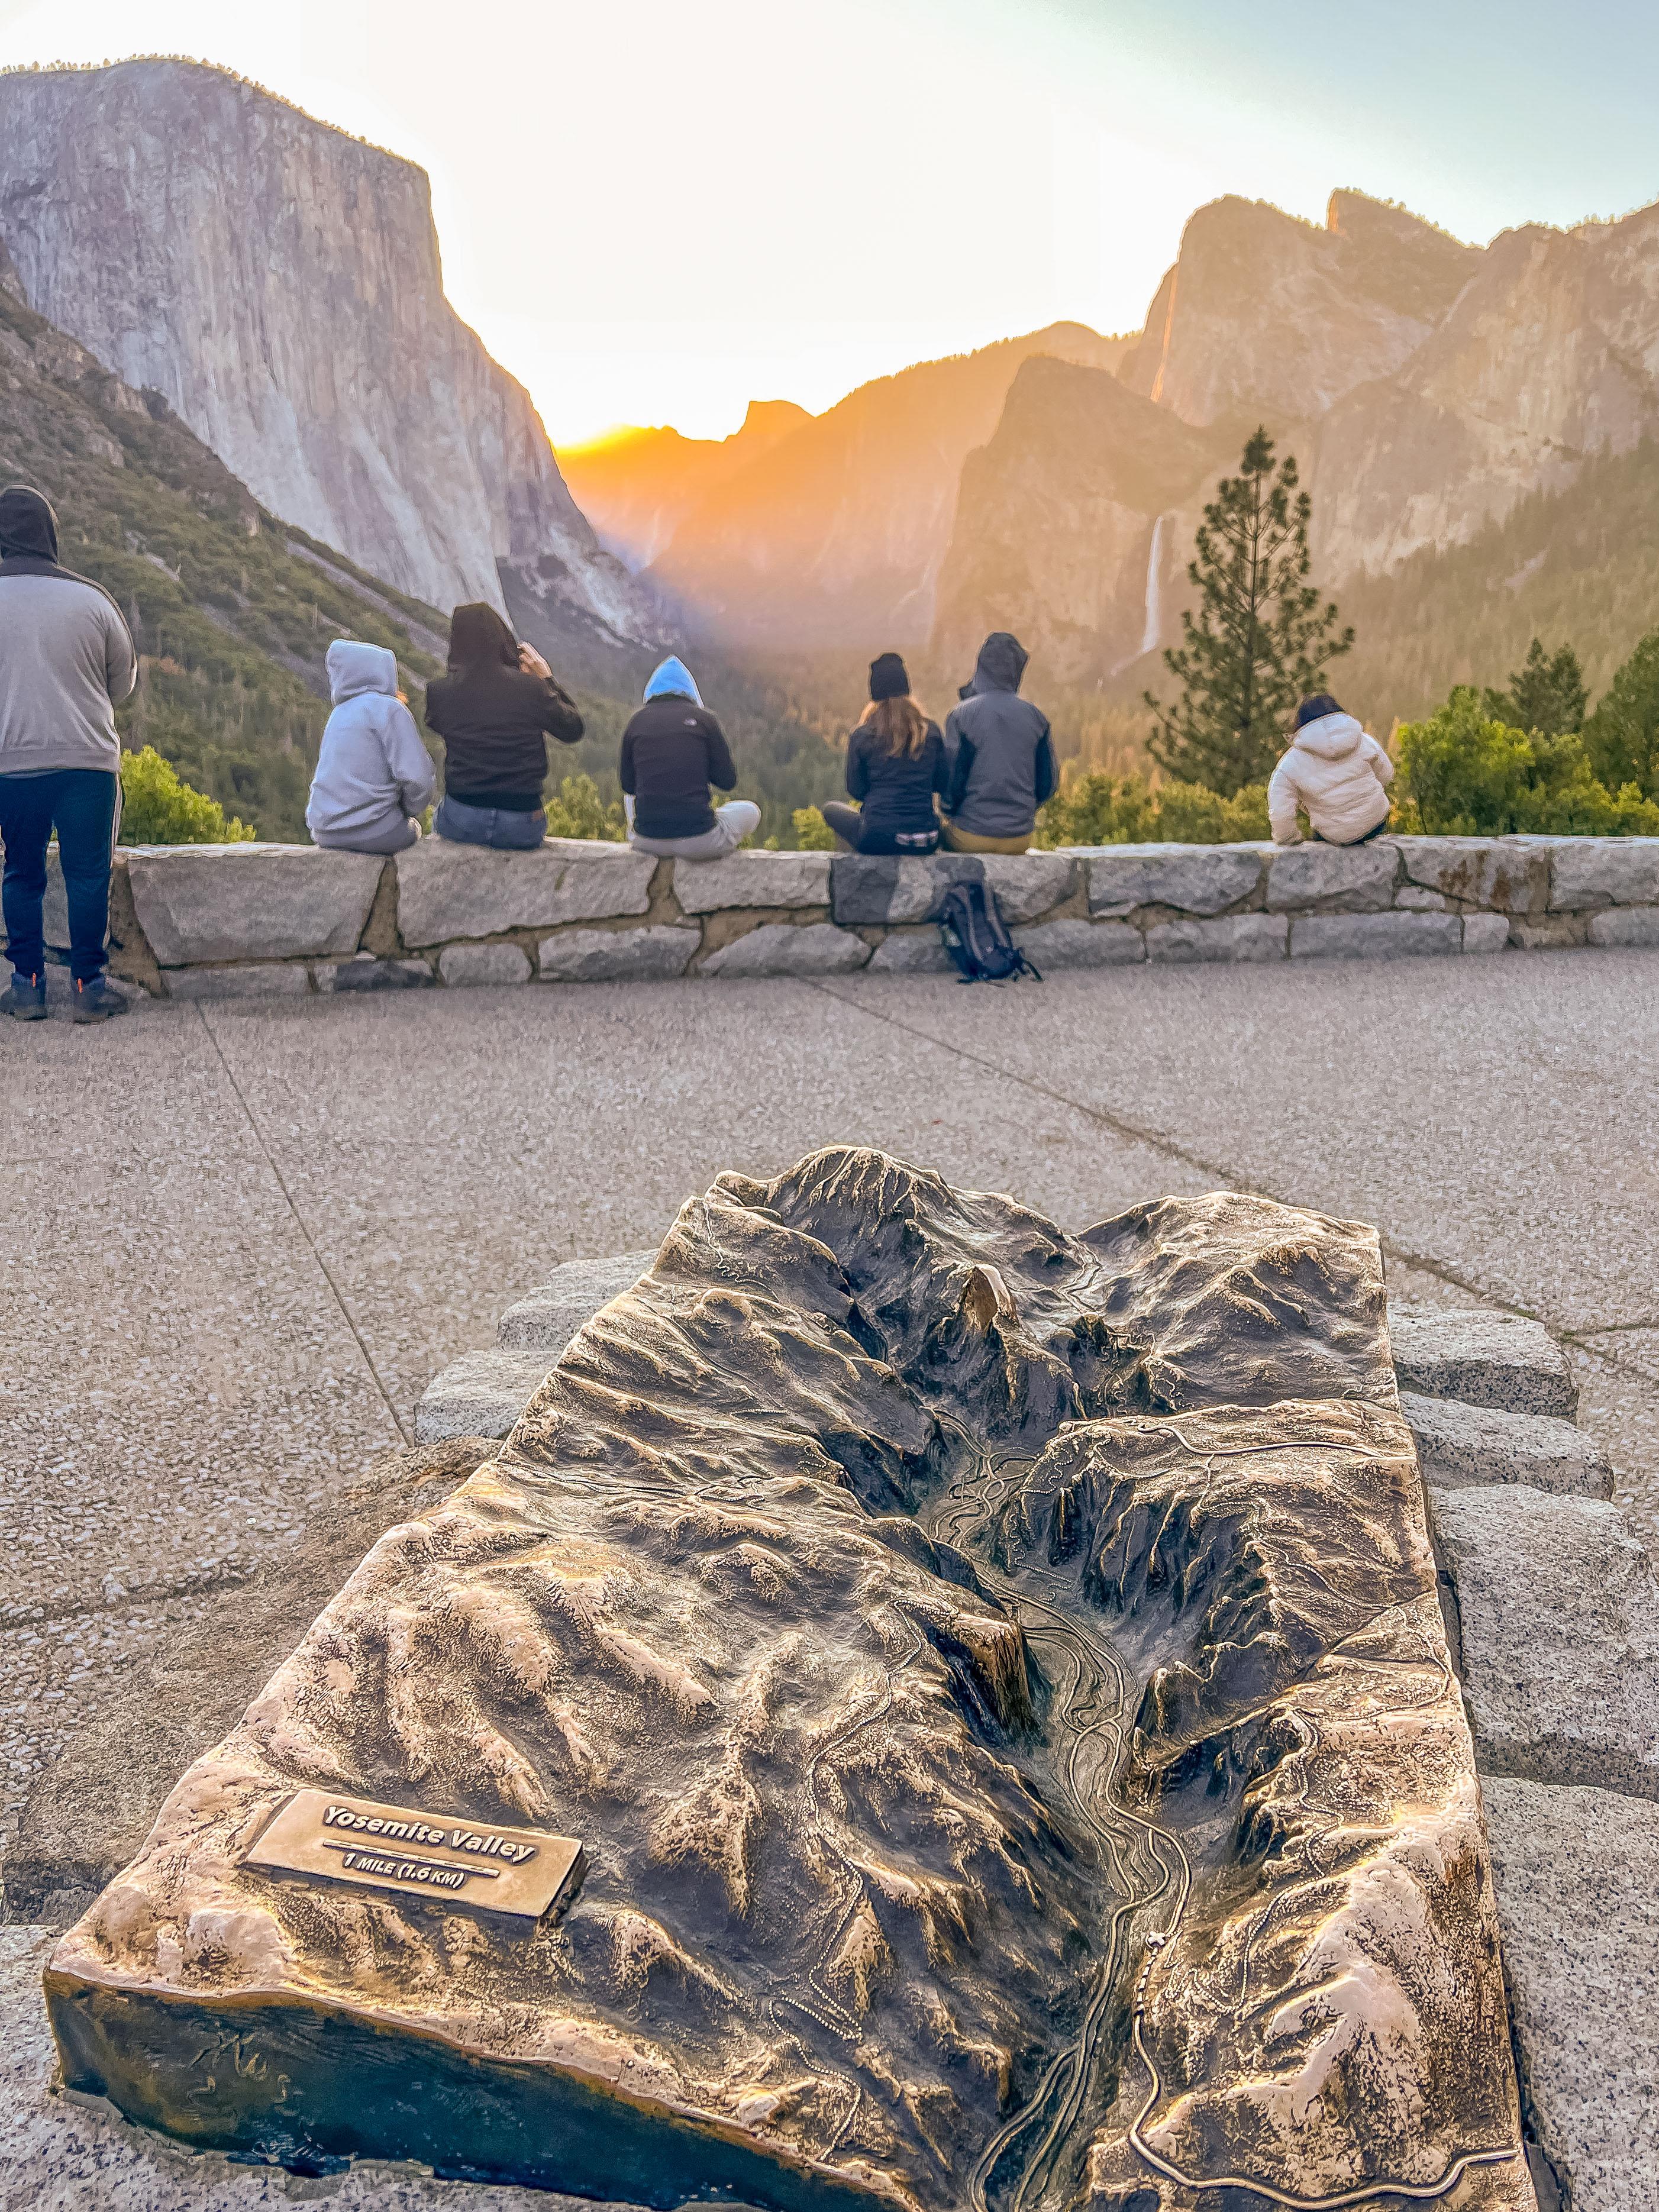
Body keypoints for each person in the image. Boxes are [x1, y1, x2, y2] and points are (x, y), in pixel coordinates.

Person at [0, 485, 136, 1023]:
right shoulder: (93, 600)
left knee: (21, 872)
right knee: (87, 874)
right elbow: (122, 686)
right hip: (86, 763)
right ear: (51, 535)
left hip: (11, 762)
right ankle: (88, 986)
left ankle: (27, 986)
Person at [422, 603, 582, 850]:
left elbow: (437, 723)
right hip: (523, 822)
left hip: (464, 817)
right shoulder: (529, 688)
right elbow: (573, 729)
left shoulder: (440, 692)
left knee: (439, 820)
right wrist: (546, 678)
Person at [621, 657, 760, 860]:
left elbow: (628, 787)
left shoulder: (636, 723)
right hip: (700, 840)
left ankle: (643, 835)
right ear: (691, 692)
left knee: (630, 799)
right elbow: (728, 781)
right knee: (750, 811)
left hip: (646, 841)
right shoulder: (705, 721)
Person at [305, 640, 435, 854]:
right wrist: (409, 810)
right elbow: (418, 778)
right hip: (376, 831)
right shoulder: (389, 709)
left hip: (325, 832)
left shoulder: (338, 715)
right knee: (414, 832)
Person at [941, 632, 1057, 854]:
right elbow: (1047, 785)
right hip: (1020, 839)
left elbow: (951, 783)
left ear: (981, 667)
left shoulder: (961, 715)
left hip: (970, 836)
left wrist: (950, 812)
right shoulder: (1037, 718)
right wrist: (1021, 812)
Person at [820, 653, 946, 855]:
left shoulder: (863, 735)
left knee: (831, 810)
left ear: (875, 695)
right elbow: (942, 784)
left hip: (878, 837)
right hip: (926, 839)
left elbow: (856, 790)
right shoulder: (930, 732)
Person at [1268, 694, 1394, 846]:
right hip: (1376, 820)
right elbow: (1387, 775)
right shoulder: (1365, 741)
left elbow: (1281, 813)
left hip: (1334, 834)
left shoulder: (1289, 764)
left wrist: (1288, 838)